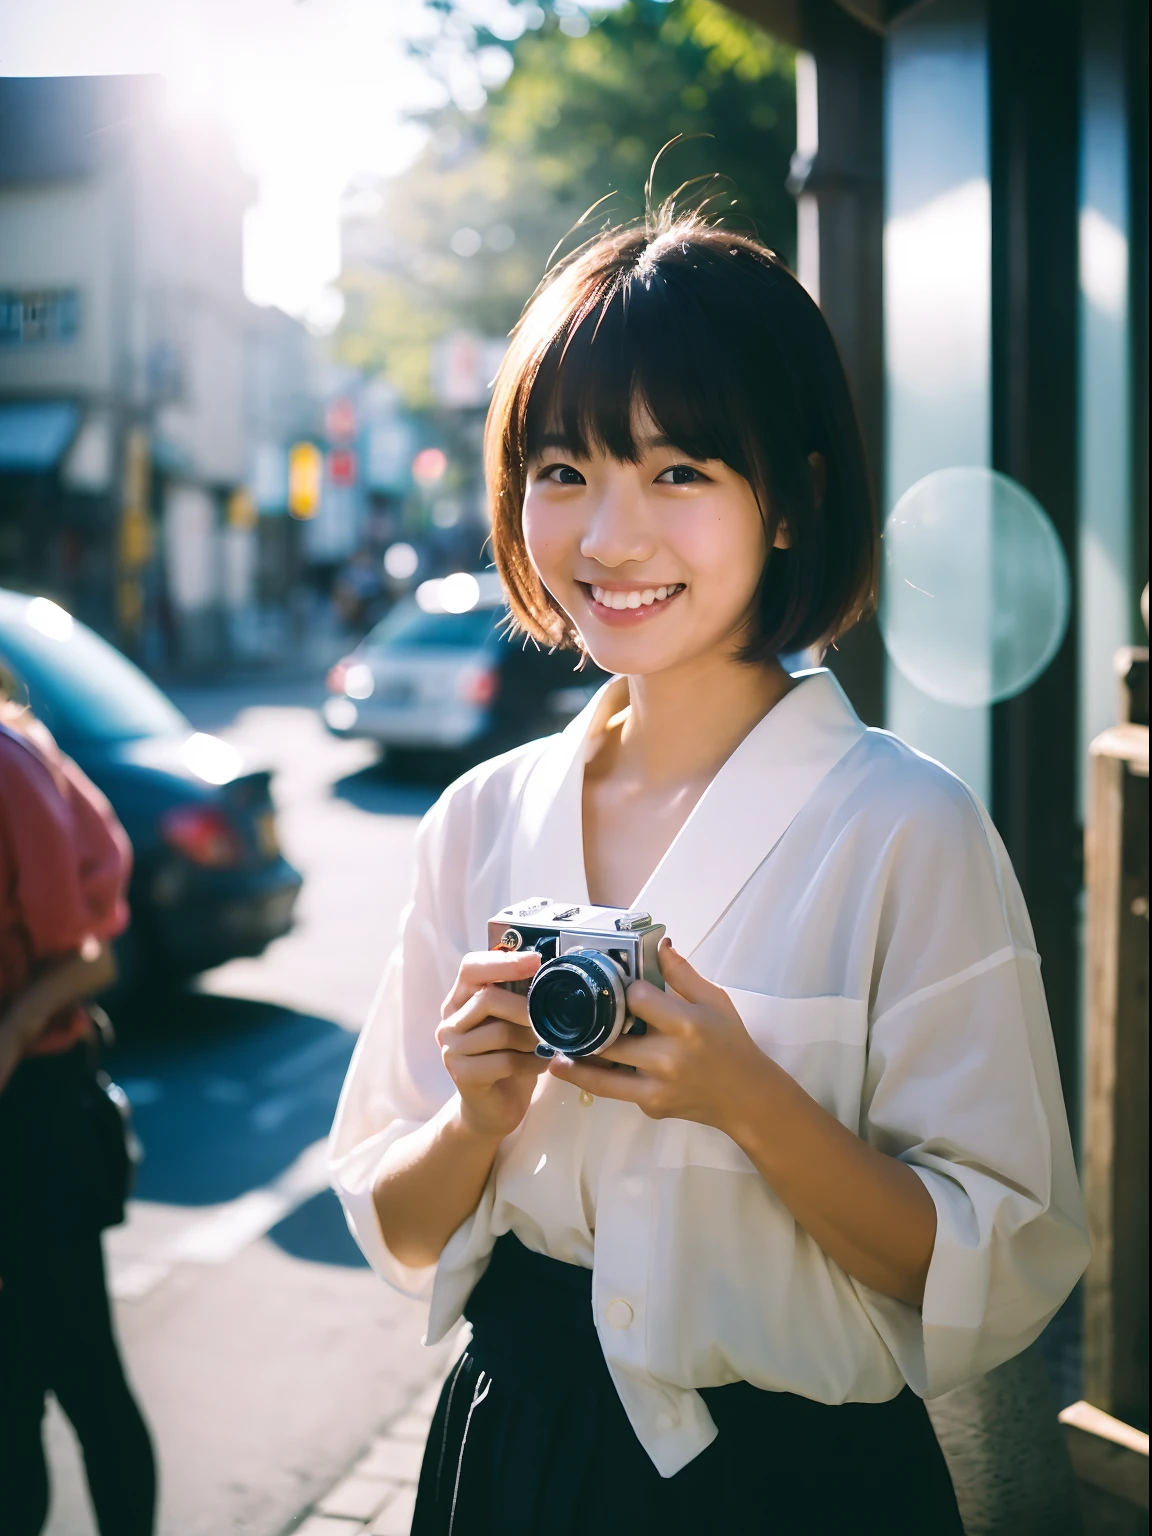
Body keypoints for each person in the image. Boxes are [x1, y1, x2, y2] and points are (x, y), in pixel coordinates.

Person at [329, 209, 1089, 1535]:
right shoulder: (478, 819)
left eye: (678, 471)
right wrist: (476, 1117)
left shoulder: (908, 828)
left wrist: (747, 1096)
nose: (611, 537)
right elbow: (395, 1227)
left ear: (790, 498)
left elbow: (1004, 1269)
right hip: (515, 1453)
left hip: (799, 1486)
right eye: (562, 469)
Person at [0, 684, 156, 1536]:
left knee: (82, 1376)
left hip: (32, 1118)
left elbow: (85, 957)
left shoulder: (7, 763)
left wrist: (16, 1025)